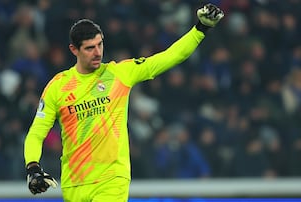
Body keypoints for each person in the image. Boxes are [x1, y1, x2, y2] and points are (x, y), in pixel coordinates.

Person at [24, 3, 224, 201]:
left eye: (100, 44)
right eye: (90, 48)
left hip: (112, 180)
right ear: (74, 50)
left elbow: (169, 57)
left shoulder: (120, 74)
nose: (97, 52)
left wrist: (200, 29)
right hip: (73, 183)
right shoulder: (58, 86)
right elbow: (36, 132)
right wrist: (33, 167)